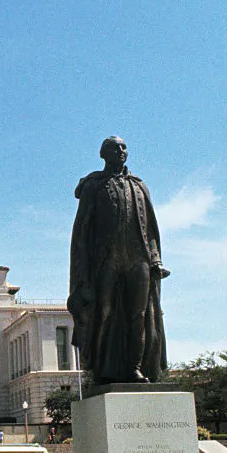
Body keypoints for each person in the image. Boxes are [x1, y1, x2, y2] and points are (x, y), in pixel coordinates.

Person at [68, 136, 168, 384]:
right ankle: (102, 369)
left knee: (139, 315)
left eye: (124, 147)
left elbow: (151, 229)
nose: (122, 151)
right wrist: (82, 273)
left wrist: (154, 258)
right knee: (104, 313)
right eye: (116, 148)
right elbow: (82, 230)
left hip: (139, 258)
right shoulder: (94, 186)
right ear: (104, 154)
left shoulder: (139, 186)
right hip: (106, 259)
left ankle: (135, 367)